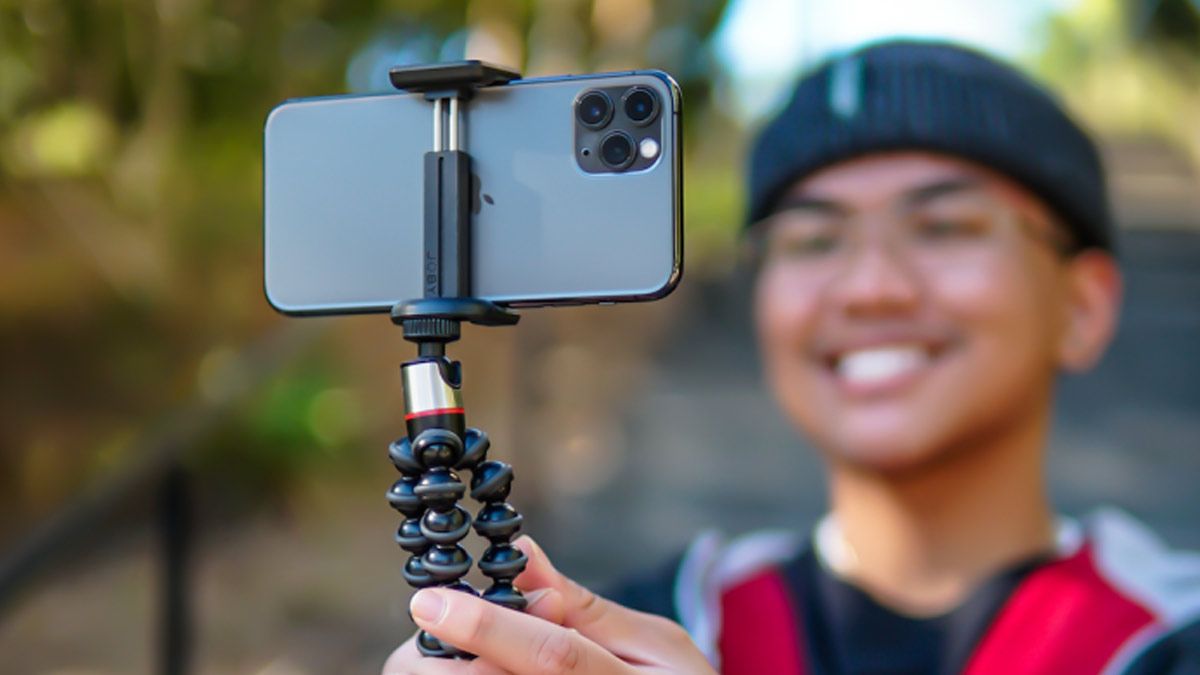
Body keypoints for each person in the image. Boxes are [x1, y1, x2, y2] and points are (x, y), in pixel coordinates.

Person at [383, 40, 1200, 674]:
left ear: (1083, 305)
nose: (870, 287)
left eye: (944, 226)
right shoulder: (646, 622)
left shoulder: (1172, 635)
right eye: (812, 238)